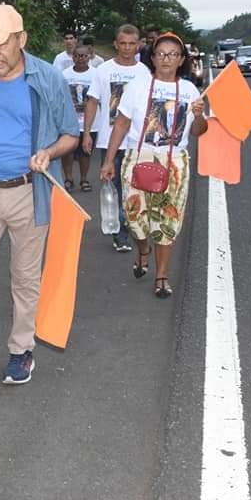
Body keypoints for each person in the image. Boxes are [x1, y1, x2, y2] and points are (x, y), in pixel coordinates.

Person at [0, 4, 78, 397]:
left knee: (24, 278)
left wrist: (49, 153)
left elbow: (71, 134)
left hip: (30, 190)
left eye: (1, 45)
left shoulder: (48, 78)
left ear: (21, 40)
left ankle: (22, 349)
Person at [99, 33, 207, 299]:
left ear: (181, 59)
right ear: (153, 57)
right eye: (161, 54)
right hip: (138, 157)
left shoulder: (191, 91)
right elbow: (122, 123)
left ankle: (161, 275)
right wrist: (109, 159)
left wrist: (197, 115)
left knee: (167, 221)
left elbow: (199, 131)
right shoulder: (137, 86)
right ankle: (143, 249)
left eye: (172, 54)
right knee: (135, 221)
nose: (166, 59)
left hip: (174, 164)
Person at [82, 24, 151, 253]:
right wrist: (87, 133)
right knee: (116, 187)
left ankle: (134, 226)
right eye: (123, 43)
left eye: (132, 44)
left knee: (136, 187)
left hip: (136, 141)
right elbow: (92, 101)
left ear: (139, 44)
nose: (127, 48)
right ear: (115, 44)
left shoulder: (144, 72)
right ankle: (120, 233)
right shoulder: (103, 71)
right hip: (108, 140)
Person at [62, 44, 100, 193]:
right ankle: (68, 178)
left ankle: (84, 179)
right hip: (70, 121)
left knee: (85, 152)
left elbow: (101, 98)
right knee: (67, 152)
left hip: (90, 123)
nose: (80, 59)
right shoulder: (65, 74)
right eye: (77, 56)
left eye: (84, 56)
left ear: (89, 56)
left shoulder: (96, 74)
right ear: (73, 57)